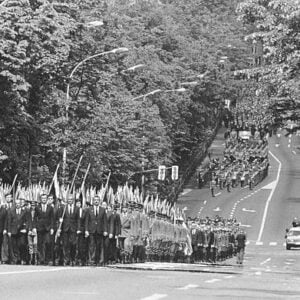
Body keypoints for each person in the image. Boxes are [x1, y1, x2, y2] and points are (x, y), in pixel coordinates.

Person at [85, 195, 108, 266]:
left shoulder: (103, 210)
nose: (96, 201)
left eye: (97, 200)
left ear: (99, 201)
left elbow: (105, 221)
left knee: (100, 246)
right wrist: (86, 230)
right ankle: (92, 260)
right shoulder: (89, 209)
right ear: (93, 201)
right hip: (91, 230)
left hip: (100, 230)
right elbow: (87, 221)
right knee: (92, 246)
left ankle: (100, 261)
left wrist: (105, 230)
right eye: (95, 200)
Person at [58, 195, 78, 266]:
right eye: (68, 199)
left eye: (71, 199)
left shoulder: (76, 208)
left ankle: (73, 259)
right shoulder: (63, 208)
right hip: (65, 229)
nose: (70, 200)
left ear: (73, 200)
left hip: (73, 229)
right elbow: (60, 218)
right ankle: (66, 260)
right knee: (65, 245)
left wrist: (78, 229)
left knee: (73, 245)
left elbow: (78, 219)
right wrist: (59, 227)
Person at [7, 198, 29, 264]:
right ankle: (16, 259)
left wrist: (26, 229)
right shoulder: (11, 211)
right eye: (16, 204)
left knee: (22, 245)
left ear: (21, 204)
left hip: (21, 232)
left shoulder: (25, 211)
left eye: (18, 203)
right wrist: (9, 231)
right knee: (14, 246)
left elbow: (27, 221)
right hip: (13, 231)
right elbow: (9, 222)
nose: (17, 205)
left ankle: (23, 259)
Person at [36, 193, 54, 265]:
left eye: (45, 198)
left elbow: (52, 218)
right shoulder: (37, 207)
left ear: (47, 199)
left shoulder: (50, 207)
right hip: (39, 228)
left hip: (47, 228)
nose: (44, 200)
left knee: (48, 243)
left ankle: (47, 259)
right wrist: (34, 227)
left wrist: (52, 228)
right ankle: (41, 259)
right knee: (40, 244)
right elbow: (35, 218)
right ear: (41, 199)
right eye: (42, 198)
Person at [26, 200, 38, 265]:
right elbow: (27, 221)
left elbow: (38, 221)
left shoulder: (38, 212)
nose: (33, 207)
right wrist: (29, 229)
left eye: (34, 205)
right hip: (29, 229)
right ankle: (31, 258)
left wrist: (35, 228)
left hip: (36, 229)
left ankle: (35, 258)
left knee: (35, 244)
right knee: (30, 244)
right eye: (32, 205)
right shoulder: (27, 212)